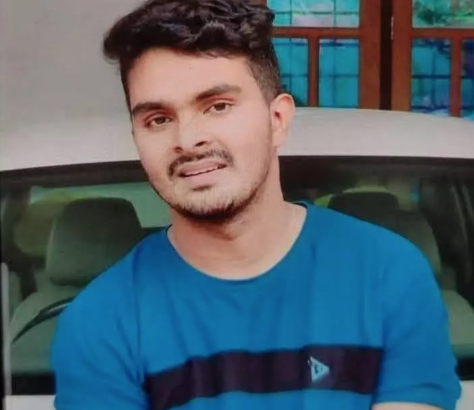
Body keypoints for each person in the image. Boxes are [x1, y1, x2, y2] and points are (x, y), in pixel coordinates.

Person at [51, 1, 461, 409]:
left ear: (278, 119)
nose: (187, 140)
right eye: (158, 119)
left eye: (217, 106)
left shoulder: (388, 275)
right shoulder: (101, 322)